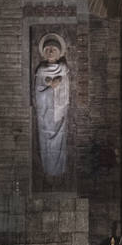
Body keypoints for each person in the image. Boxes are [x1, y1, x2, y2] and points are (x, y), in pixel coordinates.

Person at [32, 33, 71, 179]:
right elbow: (38, 94)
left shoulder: (63, 69)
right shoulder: (41, 71)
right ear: (43, 52)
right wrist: (50, 88)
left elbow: (65, 92)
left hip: (60, 112)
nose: (50, 52)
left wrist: (57, 86)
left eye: (53, 49)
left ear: (59, 52)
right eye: (47, 49)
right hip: (45, 114)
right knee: (46, 141)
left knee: (59, 140)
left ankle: (59, 170)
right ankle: (47, 170)